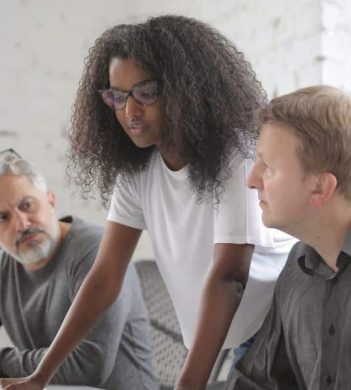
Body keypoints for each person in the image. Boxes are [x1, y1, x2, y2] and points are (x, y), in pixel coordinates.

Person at [1, 15, 295, 390]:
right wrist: (39, 377)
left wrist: (187, 384)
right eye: (118, 97)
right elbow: (106, 277)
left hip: (277, 330)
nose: (130, 112)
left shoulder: (235, 158)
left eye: (145, 92)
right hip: (229, 344)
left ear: (186, 89)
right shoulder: (137, 172)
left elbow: (230, 277)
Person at [224, 85, 351, 389]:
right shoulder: (296, 268)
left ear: (320, 188)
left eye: (269, 167)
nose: (251, 180)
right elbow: (259, 381)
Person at [0, 149, 158, 390]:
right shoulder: (4, 268)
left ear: (51, 201)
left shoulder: (97, 252)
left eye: (27, 205)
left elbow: (88, 367)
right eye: (3, 218)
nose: (21, 224)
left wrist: (3, 361)